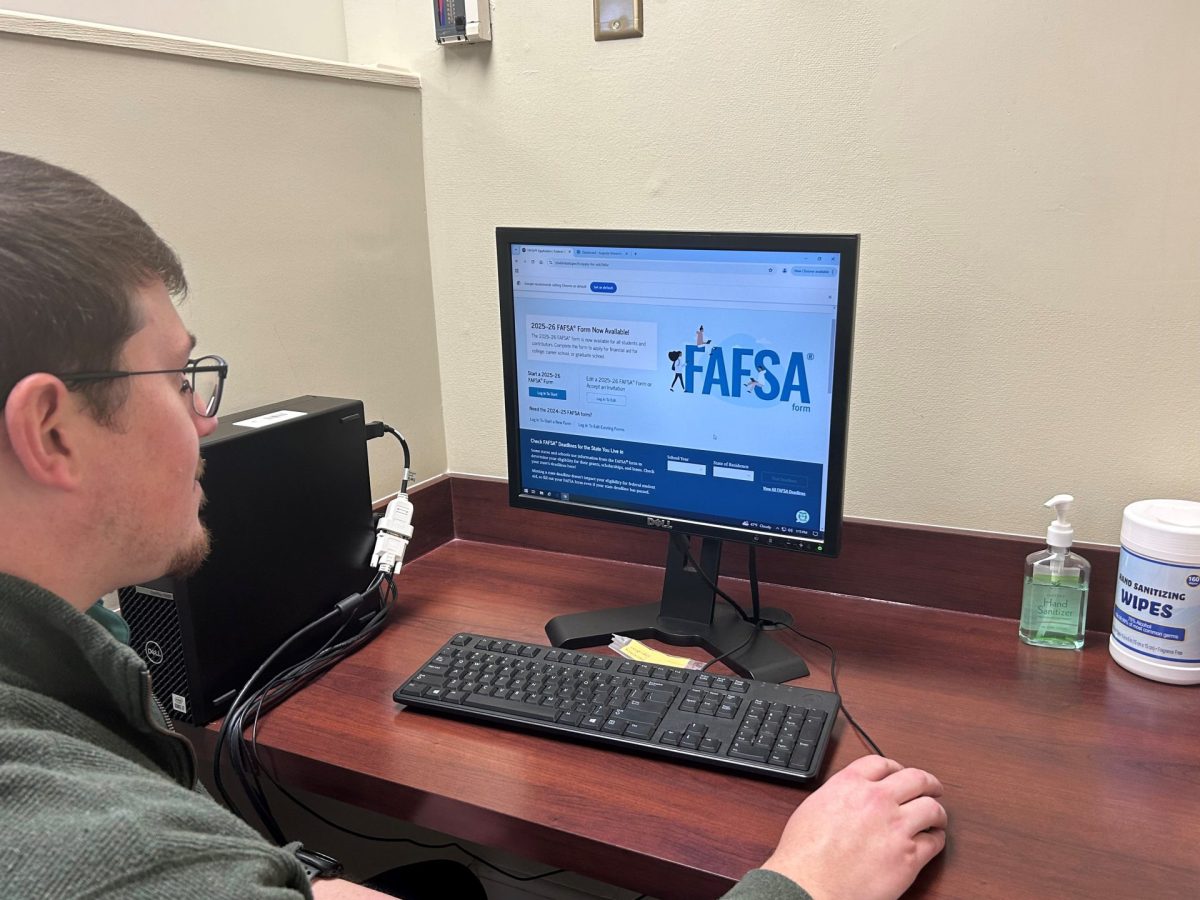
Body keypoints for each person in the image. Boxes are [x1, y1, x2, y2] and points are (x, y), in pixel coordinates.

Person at [0, 152, 946, 900]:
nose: (206, 420)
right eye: (179, 380)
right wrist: (807, 882)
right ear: (51, 431)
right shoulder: (85, 845)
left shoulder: (70, 694)